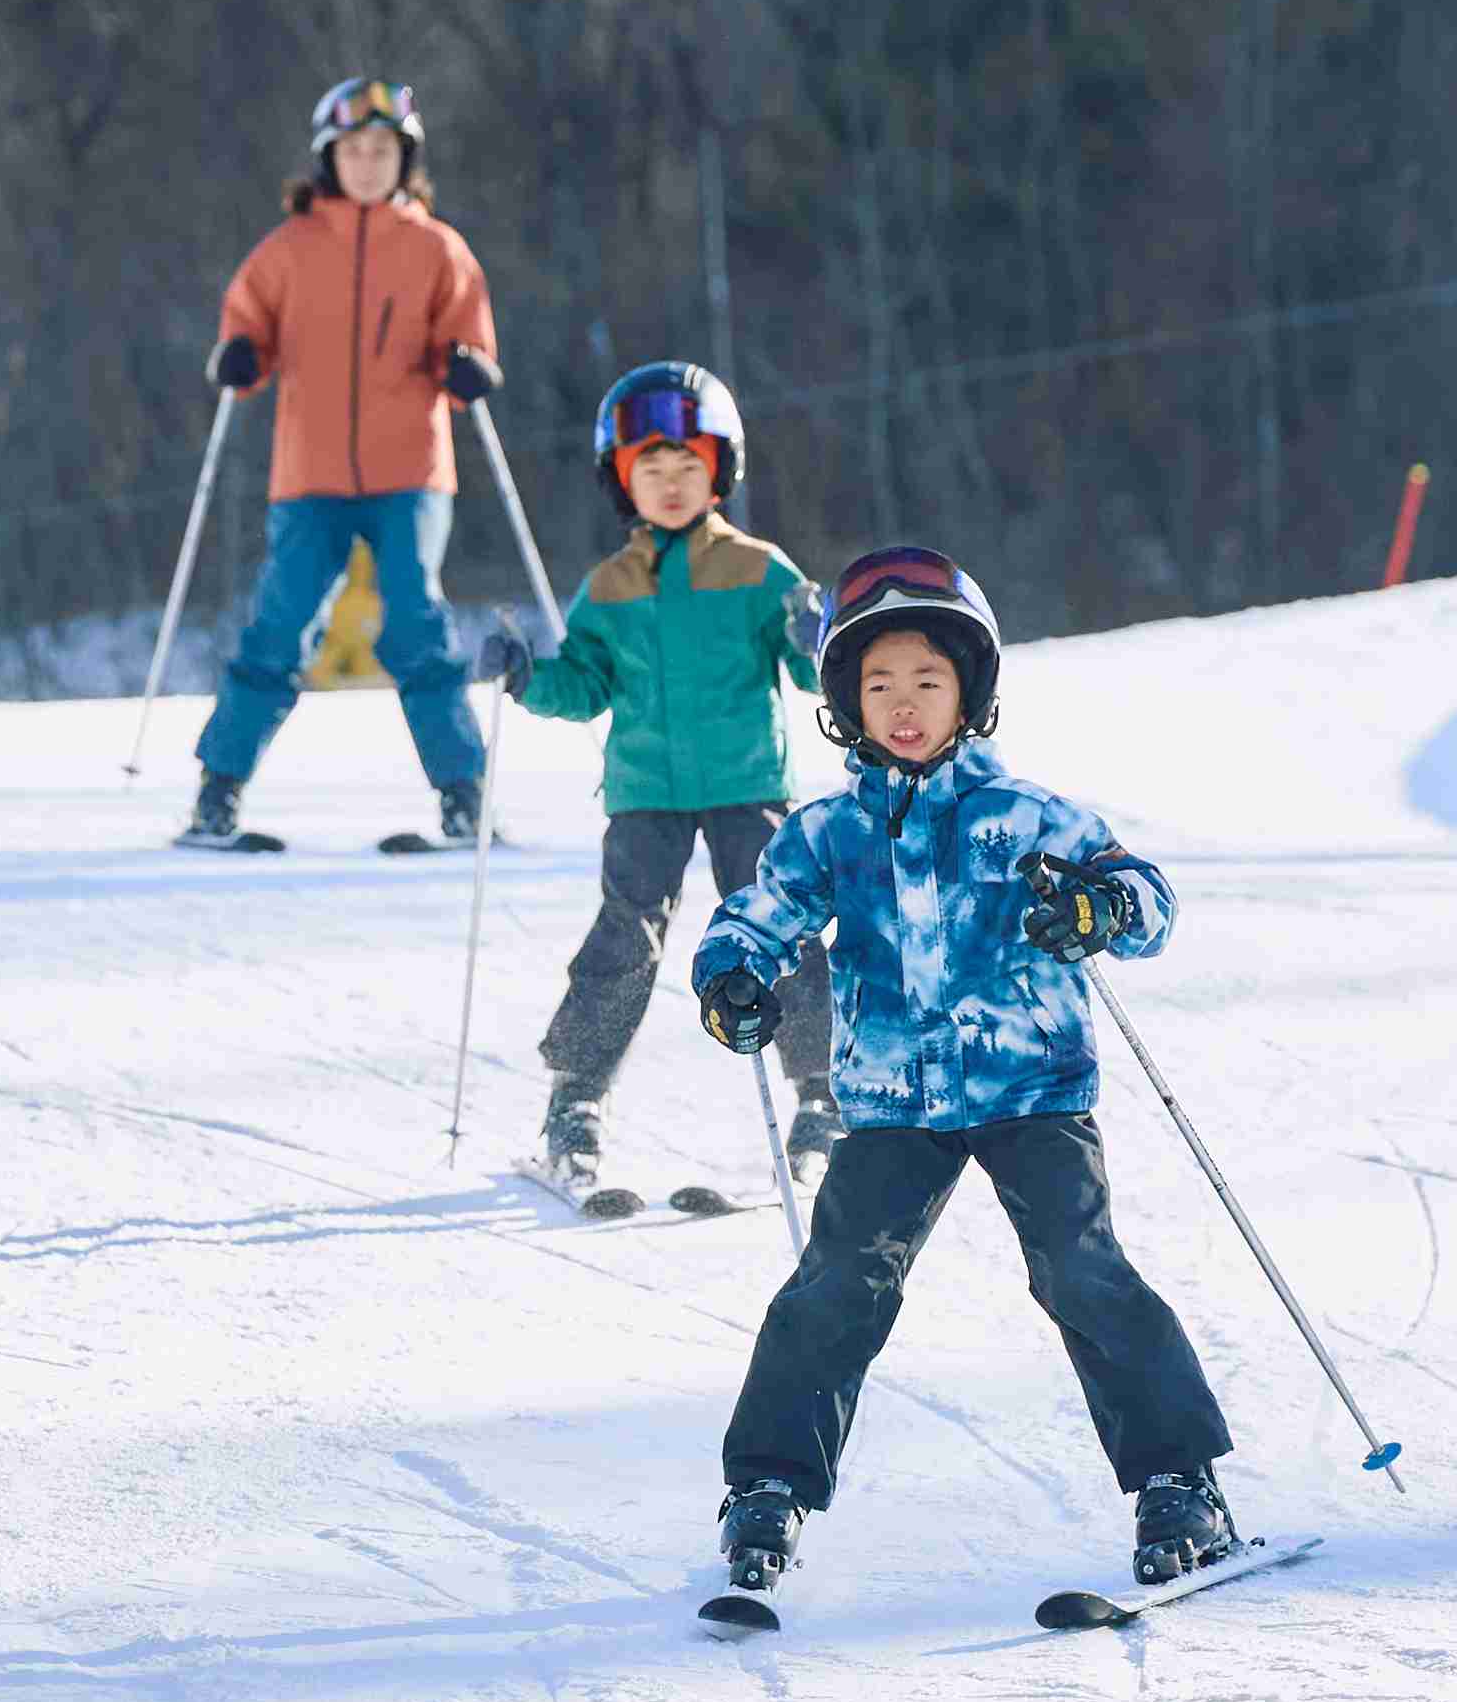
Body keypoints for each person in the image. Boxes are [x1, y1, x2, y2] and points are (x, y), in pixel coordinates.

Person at [686, 546, 1244, 1600]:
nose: (903, 705)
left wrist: (1101, 908)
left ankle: (1179, 1478)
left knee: (1081, 1271)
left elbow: (1144, 893)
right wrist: (734, 979)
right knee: (839, 1281)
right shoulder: (830, 830)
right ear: (844, 700)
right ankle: (766, 1485)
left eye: (927, 682)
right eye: (879, 684)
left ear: (970, 693)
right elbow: (752, 919)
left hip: (1033, 1088)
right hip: (893, 1102)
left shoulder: (1029, 815)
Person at [498, 360, 842, 1187]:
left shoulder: (762, 572)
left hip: (747, 784)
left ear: (720, 469)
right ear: (621, 479)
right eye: (650, 469)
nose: (671, 483)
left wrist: (814, 636)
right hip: (645, 791)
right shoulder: (605, 588)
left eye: (689, 464)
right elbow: (582, 686)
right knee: (625, 936)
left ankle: (822, 1096)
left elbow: (811, 671)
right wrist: (526, 676)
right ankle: (575, 1097)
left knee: (779, 928)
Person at [181, 75, 508, 848]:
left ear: (406, 158)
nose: (368, 164)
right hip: (310, 476)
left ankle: (463, 794)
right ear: (329, 159)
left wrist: (469, 366)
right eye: (353, 150)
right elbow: (246, 326)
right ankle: (217, 792)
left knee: (416, 626)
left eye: (383, 150)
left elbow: (469, 335)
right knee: (279, 626)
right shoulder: (289, 249)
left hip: (410, 471)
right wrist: (237, 355)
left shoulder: (435, 247)